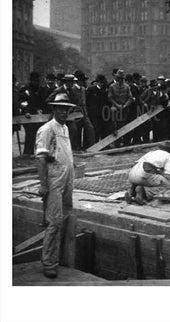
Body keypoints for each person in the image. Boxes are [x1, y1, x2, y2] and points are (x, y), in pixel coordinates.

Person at [35, 93, 76, 278]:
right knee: (54, 221)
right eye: (60, 108)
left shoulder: (64, 127)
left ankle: (61, 257)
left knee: (65, 214)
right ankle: (49, 262)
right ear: (53, 109)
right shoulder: (47, 129)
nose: (63, 112)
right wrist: (44, 184)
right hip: (54, 178)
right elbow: (42, 159)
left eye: (66, 109)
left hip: (67, 177)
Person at [19, 72, 47, 155]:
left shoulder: (42, 90)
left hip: (39, 116)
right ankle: (28, 153)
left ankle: (40, 152)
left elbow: (44, 102)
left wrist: (41, 109)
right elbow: (22, 102)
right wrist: (26, 111)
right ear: (31, 81)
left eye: (37, 81)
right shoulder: (24, 89)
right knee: (30, 133)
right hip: (27, 115)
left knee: (40, 133)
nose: (35, 82)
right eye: (33, 81)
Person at [107, 69, 133, 144]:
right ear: (117, 78)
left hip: (124, 107)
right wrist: (117, 105)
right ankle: (115, 134)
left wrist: (125, 105)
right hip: (115, 106)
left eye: (122, 79)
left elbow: (130, 97)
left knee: (122, 125)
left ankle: (121, 141)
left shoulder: (127, 87)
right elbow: (110, 97)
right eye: (119, 78)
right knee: (113, 114)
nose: (120, 80)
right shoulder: (112, 86)